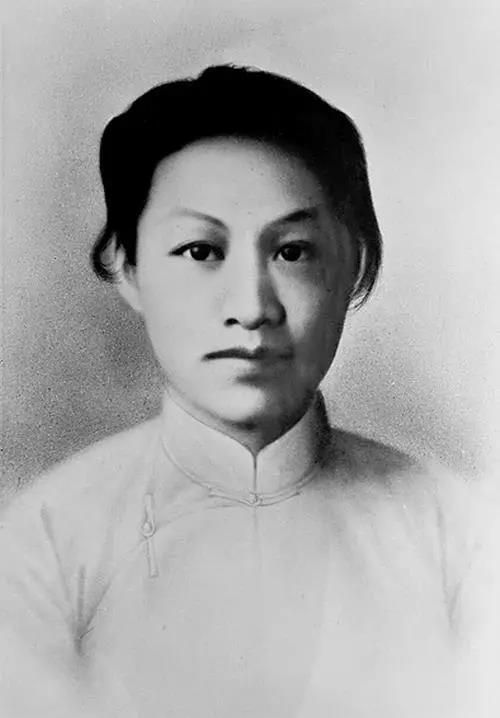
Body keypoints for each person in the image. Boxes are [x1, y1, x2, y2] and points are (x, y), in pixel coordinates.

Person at [0, 64, 483, 717]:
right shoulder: (46, 545)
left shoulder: (457, 538)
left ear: (358, 267)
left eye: (293, 251)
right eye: (201, 251)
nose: (252, 308)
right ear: (127, 267)